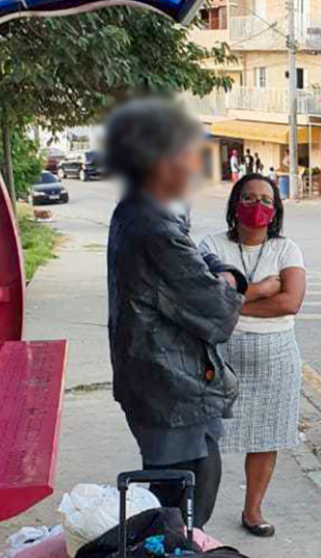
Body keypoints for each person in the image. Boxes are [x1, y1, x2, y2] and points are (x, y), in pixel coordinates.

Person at [105, 99, 247, 527]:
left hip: (163, 379)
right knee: (183, 494)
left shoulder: (148, 210)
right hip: (170, 383)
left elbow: (204, 263)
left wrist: (217, 272)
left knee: (184, 482)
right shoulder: (153, 224)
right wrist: (227, 281)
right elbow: (213, 306)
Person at [199, 174, 307, 537]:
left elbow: (291, 301)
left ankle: (253, 510)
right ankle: (194, 515)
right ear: (234, 203)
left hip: (276, 360)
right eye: (248, 198)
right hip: (219, 357)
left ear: (275, 209)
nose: (257, 206)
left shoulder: (286, 249)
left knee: (266, 437)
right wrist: (262, 290)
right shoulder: (210, 246)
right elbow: (204, 298)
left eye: (265, 200)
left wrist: (233, 305)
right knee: (205, 436)